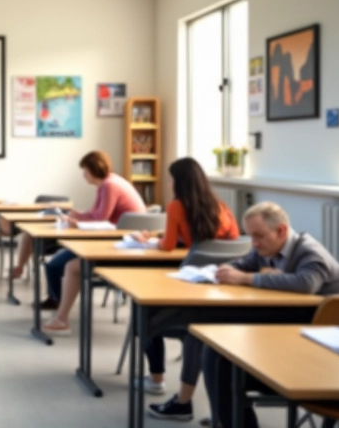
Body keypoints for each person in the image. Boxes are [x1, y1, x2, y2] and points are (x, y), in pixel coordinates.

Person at [203, 201, 339, 428]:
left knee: (225, 360)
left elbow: (306, 283)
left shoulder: (309, 250)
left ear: (281, 230)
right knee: (217, 351)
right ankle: (231, 419)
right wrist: (226, 269)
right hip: (302, 330)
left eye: (259, 236)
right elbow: (242, 264)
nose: (255, 243)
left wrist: (248, 278)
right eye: (250, 237)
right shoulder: (264, 248)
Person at [126, 158, 241, 421]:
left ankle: (156, 377)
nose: (168, 183)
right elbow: (233, 241)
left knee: (142, 310)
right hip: (220, 287)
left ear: (180, 182)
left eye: (170, 178)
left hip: (189, 284)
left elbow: (167, 246)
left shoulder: (177, 206)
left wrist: (148, 240)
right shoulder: (221, 206)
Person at [31, 151, 145, 321]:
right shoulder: (108, 183)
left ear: (93, 169)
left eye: (85, 171)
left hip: (116, 243)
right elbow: (95, 214)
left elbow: (101, 218)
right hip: (118, 239)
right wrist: (75, 215)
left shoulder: (109, 186)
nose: (84, 175)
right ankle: (57, 301)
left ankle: (57, 302)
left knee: (54, 265)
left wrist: (75, 219)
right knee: (56, 263)